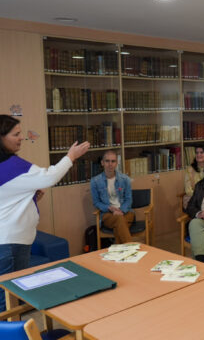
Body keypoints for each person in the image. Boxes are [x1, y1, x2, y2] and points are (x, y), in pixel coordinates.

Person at [0, 114, 89, 312]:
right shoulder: (13, 165)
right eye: (16, 134)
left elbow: (6, 199)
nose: (21, 137)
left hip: (14, 240)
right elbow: (50, 177)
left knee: (12, 299)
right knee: (9, 301)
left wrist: (30, 198)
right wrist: (71, 157)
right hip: (9, 243)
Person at [91, 150, 134, 244]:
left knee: (119, 223)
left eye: (113, 161)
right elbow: (96, 202)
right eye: (107, 161)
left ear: (117, 163)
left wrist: (121, 210)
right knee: (120, 221)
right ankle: (131, 249)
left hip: (126, 212)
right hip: (107, 214)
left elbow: (128, 199)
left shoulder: (125, 179)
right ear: (102, 163)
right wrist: (109, 208)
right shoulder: (95, 181)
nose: (110, 164)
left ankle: (123, 253)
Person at [183, 145, 204, 210]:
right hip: (194, 199)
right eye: (197, 153)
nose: (198, 155)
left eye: (201, 152)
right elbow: (188, 190)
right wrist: (200, 198)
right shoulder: (189, 169)